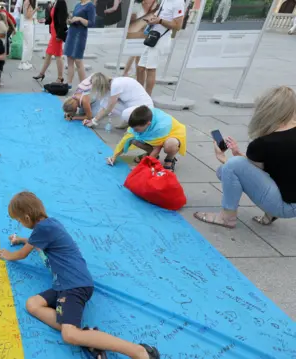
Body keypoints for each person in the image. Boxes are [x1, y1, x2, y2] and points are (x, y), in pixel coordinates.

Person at [0, 191, 161, 359]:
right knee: (32, 304)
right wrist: (20, 240)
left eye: (18, 220)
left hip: (74, 285)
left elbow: (22, 254)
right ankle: (89, 337)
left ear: (26, 217)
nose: (20, 224)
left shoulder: (42, 229)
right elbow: (35, 243)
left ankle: (139, 351)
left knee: (69, 335)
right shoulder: (49, 224)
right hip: (63, 284)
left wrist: (8, 255)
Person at [194, 86, 296, 228]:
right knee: (229, 168)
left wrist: (222, 157)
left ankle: (227, 217)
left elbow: (245, 170)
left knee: (227, 168)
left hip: (286, 206)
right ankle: (270, 214)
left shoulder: (264, 142)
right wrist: (239, 155)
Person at [106, 105, 186, 171]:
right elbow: (126, 139)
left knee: (170, 145)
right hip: (155, 133)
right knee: (133, 139)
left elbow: (157, 148)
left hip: (172, 134)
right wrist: (114, 156)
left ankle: (169, 159)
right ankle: (150, 156)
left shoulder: (161, 126)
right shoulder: (141, 121)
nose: (135, 131)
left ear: (148, 124)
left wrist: (141, 167)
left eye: (137, 129)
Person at [63, 73, 153, 128]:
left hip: (144, 108)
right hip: (133, 105)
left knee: (116, 109)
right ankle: (129, 121)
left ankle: (132, 123)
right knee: (105, 104)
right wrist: (93, 121)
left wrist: (93, 121)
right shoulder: (109, 87)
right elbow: (104, 107)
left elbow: (109, 108)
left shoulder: (115, 85)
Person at [136, 0, 184, 95]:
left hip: (161, 38)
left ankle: (147, 97)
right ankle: (139, 93)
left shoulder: (178, 2)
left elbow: (178, 26)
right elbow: (159, 15)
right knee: (140, 68)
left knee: (151, 68)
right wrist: (152, 20)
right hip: (153, 36)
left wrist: (160, 21)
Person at [33, 0, 67, 83]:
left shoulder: (61, 2)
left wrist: (59, 35)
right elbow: (53, 18)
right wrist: (45, 20)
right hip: (53, 33)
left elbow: (62, 20)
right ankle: (42, 73)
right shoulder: (55, 2)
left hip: (57, 35)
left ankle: (60, 77)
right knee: (48, 54)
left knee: (58, 56)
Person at [64, 0, 94, 87]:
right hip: (72, 32)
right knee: (69, 59)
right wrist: (70, 20)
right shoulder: (78, 5)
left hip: (80, 35)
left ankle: (84, 86)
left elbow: (91, 23)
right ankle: (68, 83)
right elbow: (74, 18)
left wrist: (79, 19)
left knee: (78, 60)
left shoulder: (90, 6)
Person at [18, 0, 35, 71]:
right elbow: (27, 15)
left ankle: (25, 61)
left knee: (28, 44)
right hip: (28, 25)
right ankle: (23, 62)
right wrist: (35, 10)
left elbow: (26, 15)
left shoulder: (26, 2)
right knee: (28, 44)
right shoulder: (27, 2)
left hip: (28, 24)